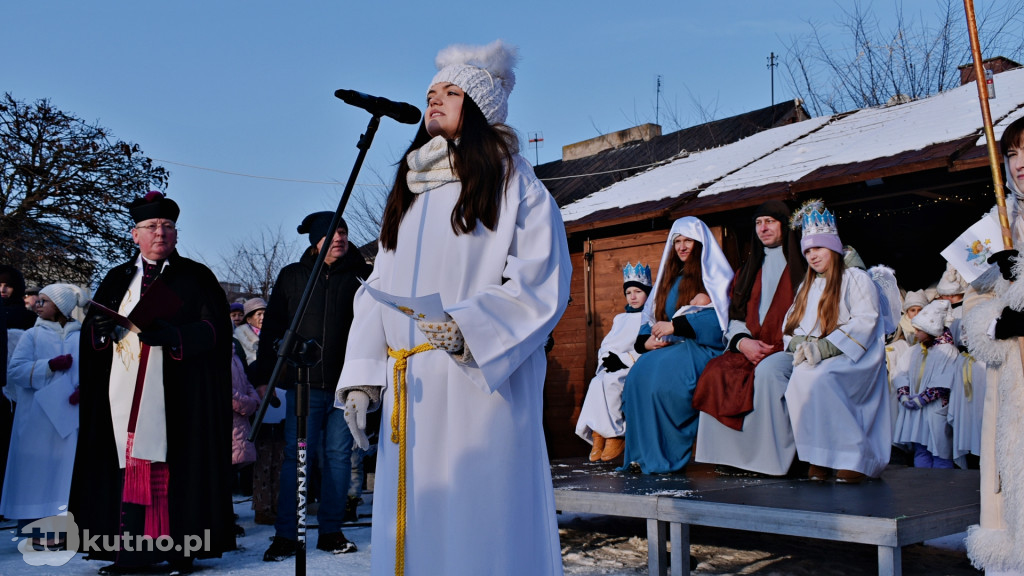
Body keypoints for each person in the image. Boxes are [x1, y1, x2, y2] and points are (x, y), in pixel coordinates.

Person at [336, 40, 571, 576]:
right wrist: (364, 375)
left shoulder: (514, 181)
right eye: (430, 93)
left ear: (481, 107)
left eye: (451, 91)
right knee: (417, 512)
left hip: (478, 381)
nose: (435, 100)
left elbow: (542, 280)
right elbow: (379, 283)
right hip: (411, 382)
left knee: (480, 516)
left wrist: (470, 329)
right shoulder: (411, 189)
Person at [69, 191, 235, 573]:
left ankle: (180, 550)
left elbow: (216, 331)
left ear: (176, 234)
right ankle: (130, 553)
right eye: (151, 227)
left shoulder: (196, 277)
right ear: (135, 235)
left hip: (179, 395)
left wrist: (176, 337)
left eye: (168, 226)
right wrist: (95, 330)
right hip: (122, 394)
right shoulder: (116, 278)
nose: (160, 233)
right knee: (125, 467)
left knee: (175, 468)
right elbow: (93, 334)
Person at [252, 211, 370, 560]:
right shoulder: (293, 277)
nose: (339, 238)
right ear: (315, 241)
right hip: (303, 386)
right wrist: (264, 378)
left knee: (338, 457)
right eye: (331, 233)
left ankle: (331, 531)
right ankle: (288, 534)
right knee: (297, 458)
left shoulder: (363, 276)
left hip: (346, 386)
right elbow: (271, 329)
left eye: (344, 232)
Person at [781, 200, 890, 484]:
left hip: (853, 356)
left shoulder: (855, 278)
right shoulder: (807, 285)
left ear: (833, 246)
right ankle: (820, 456)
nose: (813, 256)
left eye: (818, 248)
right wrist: (800, 344)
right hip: (816, 357)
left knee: (825, 379)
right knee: (800, 382)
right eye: (807, 250)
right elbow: (790, 322)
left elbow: (867, 319)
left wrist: (826, 347)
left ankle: (854, 458)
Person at [694, 200, 805, 476]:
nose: (763, 228)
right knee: (715, 370)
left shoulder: (804, 267)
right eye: (758, 223)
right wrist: (743, 342)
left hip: (790, 348)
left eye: (770, 221)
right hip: (751, 346)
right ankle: (730, 458)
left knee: (767, 373)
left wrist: (780, 344)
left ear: (785, 225)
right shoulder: (747, 271)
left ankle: (774, 462)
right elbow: (736, 317)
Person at [620, 216, 733, 474]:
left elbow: (722, 320)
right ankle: (640, 454)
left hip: (703, 348)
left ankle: (663, 454)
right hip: (673, 349)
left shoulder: (714, 276)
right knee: (639, 374)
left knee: (660, 381)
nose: (682, 247)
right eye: (677, 241)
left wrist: (677, 326)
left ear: (700, 244)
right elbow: (654, 315)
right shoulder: (670, 279)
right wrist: (645, 341)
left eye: (688, 241)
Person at [963, 115, 1024, 574]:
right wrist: (997, 320)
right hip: (1011, 382)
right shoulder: (995, 227)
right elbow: (972, 309)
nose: (1021, 164)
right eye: (1013, 154)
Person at [2, 284, 85, 544]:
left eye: (44, 301)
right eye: (38, 301)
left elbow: (92, 370)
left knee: (64, 474)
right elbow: (15, 372)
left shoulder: (80, 336)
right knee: (35, 474)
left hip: (68, 418)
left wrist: (84, 389)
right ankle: (35, 531)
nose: (37, 305)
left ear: (60, 307)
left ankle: (65, 530)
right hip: (36, 417)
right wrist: (48, 366)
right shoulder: (32, 336)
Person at [575, 262, 652, 462]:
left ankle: (615, 434)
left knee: (612, 382)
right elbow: (607, 344)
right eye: (628, 293)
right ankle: (598, 434)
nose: (633, 297)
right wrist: (607, 360)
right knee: (597, 382)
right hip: (614, 365)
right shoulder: (620, 319)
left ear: (647, 293)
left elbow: (647, 346)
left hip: (635, 366)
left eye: (638, 291)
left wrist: (624, 360)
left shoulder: (650, 318)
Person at [892, 299, 958, 468]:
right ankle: (922, 483)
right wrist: (904, 394)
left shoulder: (947, 351)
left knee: (939, 449)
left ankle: (943, 486)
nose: (916, 333)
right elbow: (901, 372)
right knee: (921, 448)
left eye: (919, 330)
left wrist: (922, 399)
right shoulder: (915, 350)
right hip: (917, 412)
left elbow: (944, 380)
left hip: (934, 409)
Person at [234, 297, 265, 366]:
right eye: (259, 314)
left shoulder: (269, 335)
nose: (263, 317)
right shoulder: (238, 338)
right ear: (249, 320)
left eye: (265, 314)